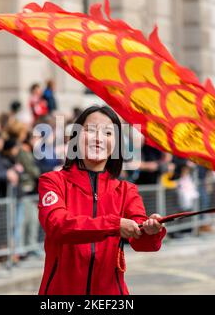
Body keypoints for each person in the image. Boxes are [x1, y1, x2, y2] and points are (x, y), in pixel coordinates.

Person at [37, 106, 167, 295]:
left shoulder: (126, 191)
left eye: (108, 133)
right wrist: (115, 225)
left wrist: (152, 230)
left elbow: (143, 243)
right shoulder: (53, 181)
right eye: (90, 130)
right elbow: (57, 225)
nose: (98, 138)